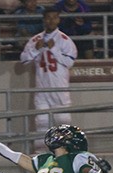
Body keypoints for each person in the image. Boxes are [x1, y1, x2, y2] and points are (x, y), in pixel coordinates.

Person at [20, 7, 77, 151]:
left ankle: (65, 153)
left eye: (54, 17)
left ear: (58, 19)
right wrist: (36, 49)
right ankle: (40, 154)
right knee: (41, 122)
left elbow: (69, 62)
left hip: (59, 88)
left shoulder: (64, 40)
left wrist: (54, 49)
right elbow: (24, 60)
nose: (51, 20)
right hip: (42, 89)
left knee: (63, 122)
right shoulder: (35, 40)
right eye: (48, 17)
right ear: (44, 19)